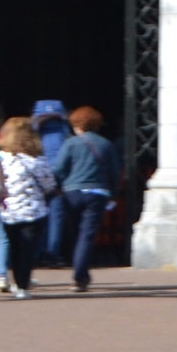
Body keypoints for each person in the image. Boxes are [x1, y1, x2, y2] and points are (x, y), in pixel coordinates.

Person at [0, 115, 60, 298]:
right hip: (32, 210)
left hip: (9, 211)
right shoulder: (36, 159)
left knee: (14, 247)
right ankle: (21, 284)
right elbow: (49, 183)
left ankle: (15, 280)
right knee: (27, 249)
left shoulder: (1, 158)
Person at [57, 106, 122, 293]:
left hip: (72, 192)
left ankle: (80, 271)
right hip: (97, 193)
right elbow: (115, 173)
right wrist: (113, 193)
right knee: (87, 234)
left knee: (75, 233)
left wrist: (57, 188)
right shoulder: (106, 144)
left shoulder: (70, 144)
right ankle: (80, 276)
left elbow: (59, 169)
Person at [31, 99, 74, 265]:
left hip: (37, 174)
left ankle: (37, 253)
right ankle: (52, 254)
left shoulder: (34, 129)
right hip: (58, 176)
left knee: (37, 215)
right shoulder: (64, 129)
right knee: (56, 216)